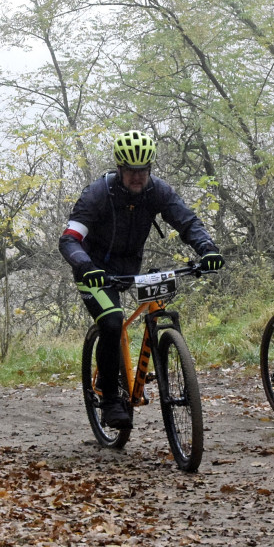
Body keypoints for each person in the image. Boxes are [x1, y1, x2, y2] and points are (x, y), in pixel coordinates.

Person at [59, 130, 225, 428]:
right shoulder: (97, 194)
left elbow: (187, 221)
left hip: (130, 268)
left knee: (157, 307)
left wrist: (207, 249)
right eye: (131, 172)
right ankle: (110, 397)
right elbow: (69, 239)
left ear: (150, 169)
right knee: (111, 321)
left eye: (143, 171)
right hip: (93, 272)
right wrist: (85, 265)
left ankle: (162, 367)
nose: (137, 178)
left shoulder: (157, 191)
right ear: (120, 169)